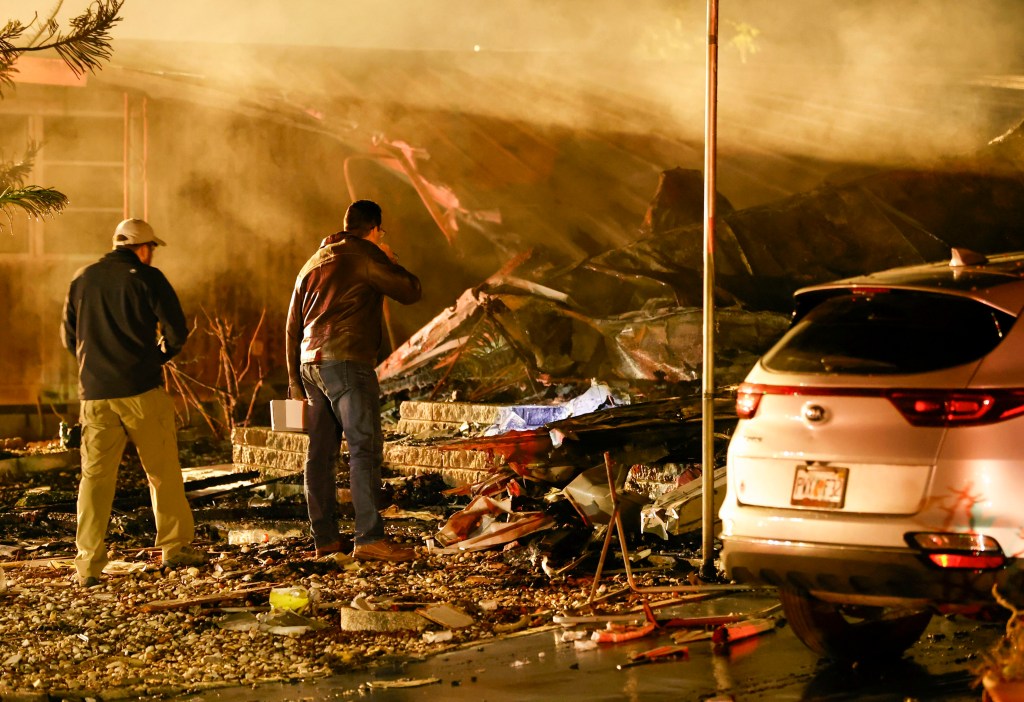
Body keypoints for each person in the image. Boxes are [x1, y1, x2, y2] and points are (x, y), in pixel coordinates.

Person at [61, 218, 207, 587]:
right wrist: (157, 356)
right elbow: (176, 331)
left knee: (94, 478)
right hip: (141, 390)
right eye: (152, 248)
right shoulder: (146, 277)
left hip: (94, 395)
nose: (152, 254)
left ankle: (89, 564)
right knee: (161, 472)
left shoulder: (82, 279)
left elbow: (68, 338)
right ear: (143, 248)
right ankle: (174, 548)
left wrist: (94, 366)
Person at [286, 200, 422, 561]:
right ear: (375, 229)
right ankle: (369, 539)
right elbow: (411, 291)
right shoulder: (364, 256)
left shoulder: (313, 262)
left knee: (319, 455)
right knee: (363, 449)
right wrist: (389, 259)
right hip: (347, 363)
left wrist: (294, 383)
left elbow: (291, 327)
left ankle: (326, 538)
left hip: (309, 366)